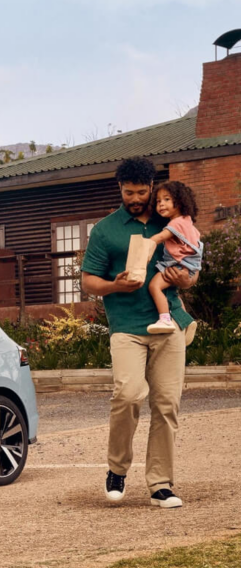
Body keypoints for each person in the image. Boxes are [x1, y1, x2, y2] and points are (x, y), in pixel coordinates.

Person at [80, 157, 199, 509]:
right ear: (120, 189)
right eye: (129, 192)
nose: (136, 198)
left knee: (166, 405)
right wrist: (114, 285)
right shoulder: (106, 230)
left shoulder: (172, 220)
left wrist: (186, 280)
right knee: (128, 395)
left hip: (168, 323)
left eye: (142, 192)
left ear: (152, 187)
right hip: (127, 328)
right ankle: (117, 468)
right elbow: (88, 281)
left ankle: (161, 484)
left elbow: (192, 266)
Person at [144, 181, 203, 334]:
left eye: (167, 199)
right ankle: (186, 322)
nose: (161, 204)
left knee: (154, 286)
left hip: (179, 265)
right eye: (158, 201)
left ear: (180, 201)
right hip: (188, 266)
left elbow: (161, 236)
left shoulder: (176, 223)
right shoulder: (187, 221)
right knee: (173, 294)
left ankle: (165, 320)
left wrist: (146, 244)